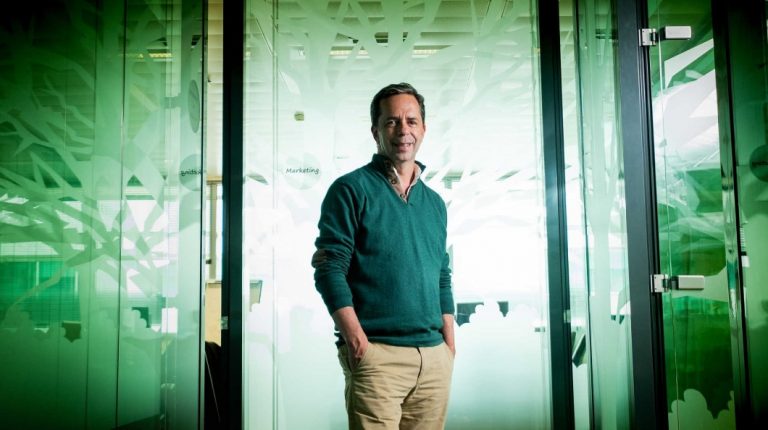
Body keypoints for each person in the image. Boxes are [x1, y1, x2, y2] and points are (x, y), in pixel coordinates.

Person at [312, 82, 456, 429]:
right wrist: (356, 341)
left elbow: (442, 274)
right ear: (375, 130)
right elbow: (329, 268)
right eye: (392, 121)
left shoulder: (435, 203)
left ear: (423, 129)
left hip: (433, 359)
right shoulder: (350, 189)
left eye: (411, 121)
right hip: (378, 356)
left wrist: (448, 342)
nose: (403, 130)